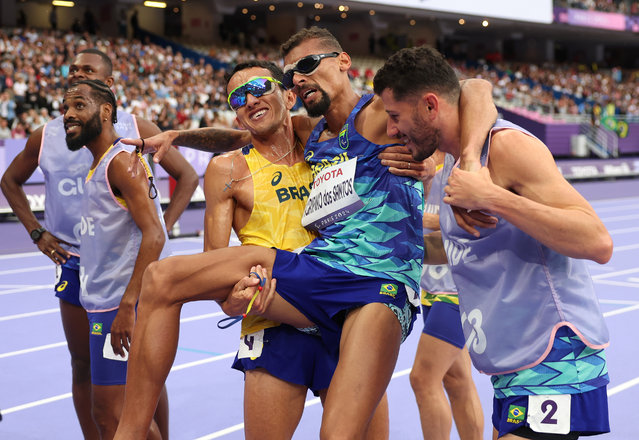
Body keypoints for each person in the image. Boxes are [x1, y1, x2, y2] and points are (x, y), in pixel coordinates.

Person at [115, 27, 497, 440]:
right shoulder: (309, 135)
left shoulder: (378, 117)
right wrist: (177, 136)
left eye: (308, 66)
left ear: (343, 62)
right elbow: (243, 136)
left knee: (337, 434)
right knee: (161, 277)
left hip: (376, 285)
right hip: (319, 270)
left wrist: (468, 163)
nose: (299, 77)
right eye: (292, 73)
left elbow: (474, 88)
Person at [374, 45, 612, 440]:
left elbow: (598, 241)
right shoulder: (457, 161)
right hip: (511, 368)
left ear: (431, 106)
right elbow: (474, 87)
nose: (391, 130)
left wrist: (492, 197)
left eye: (396, 117)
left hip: (555, 360)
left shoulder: (505, 148)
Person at [0, 48, 197, 440]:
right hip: (77, 262)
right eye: (71, 69)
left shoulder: (129, 138)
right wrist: (38, 233)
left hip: (124, 272)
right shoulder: (55, 135)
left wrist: (161, 229)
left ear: (107, 88)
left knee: (139, 380)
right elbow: (9, 180)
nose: (74, 73)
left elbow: (186, 179)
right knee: (86, 368)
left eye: (85, 71)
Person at [204, 59, 388, 440]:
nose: (250, 100)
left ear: (288, 95)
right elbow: (213, 268)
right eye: (238, 98)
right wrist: (230, 299)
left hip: (346, 318)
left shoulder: (326, 147)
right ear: (237, 117)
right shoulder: (229, 170)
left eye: (258, 88)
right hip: (275, 323)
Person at [63, 79, 171, 440]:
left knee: (112, 416)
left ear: (106, 111)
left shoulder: (120, 164)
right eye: (65, 108)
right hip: (103, 305)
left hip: (117, 308)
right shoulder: (99, 165)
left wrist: (128, 306)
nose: (68, 114)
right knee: (119, 416)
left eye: (79, 105)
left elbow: (155, 234)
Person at [410, 150, 483, 440]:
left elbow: (475, 230)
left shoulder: (461, 164)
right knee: (457, 380)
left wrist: (432, 222)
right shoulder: (412, 162)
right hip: (430, 290)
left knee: (423, 378)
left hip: (457, 291)